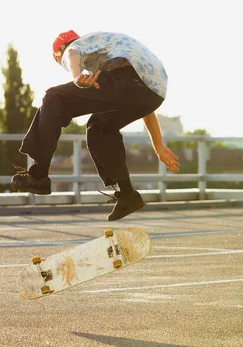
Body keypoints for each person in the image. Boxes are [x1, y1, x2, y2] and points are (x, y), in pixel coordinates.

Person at [11, 30, 180, 221]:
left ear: (59, 53)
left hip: (129, 79)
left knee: (53, 98)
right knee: (98, 127)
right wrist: (158, 146)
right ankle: (127, 195)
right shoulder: (105, 50)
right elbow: (145, 109)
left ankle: (38, 175)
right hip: (152, 92)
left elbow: (71, 53)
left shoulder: (75, 47)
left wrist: (76, 77)